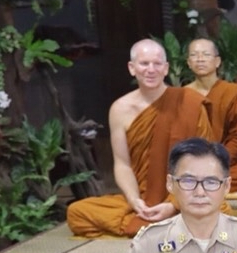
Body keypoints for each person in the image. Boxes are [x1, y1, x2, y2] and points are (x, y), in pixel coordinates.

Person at [68, 40, 214, 237]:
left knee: (214, 207)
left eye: (157, 64)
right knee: (77, 212)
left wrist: (173, 204)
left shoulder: (189, 103)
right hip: (145, 197)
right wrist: (135, 201)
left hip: (187, 194)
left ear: (166, 68)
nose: (151, 70)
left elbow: (207, 163)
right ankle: (160, 221)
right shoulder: (120, 109)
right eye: (144, 63)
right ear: (132, 68)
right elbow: (122, 164)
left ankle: (164, 220)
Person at [185, 38, 237, 192]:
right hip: (188, 162)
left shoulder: (233, 93)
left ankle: (191, 185)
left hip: (222, 160)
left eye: (206, 54)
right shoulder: (180, 95)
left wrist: (215, 161)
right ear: (188, 63)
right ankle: (205, 184)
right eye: (194, 55)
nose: (200, 59)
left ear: (217, 62)